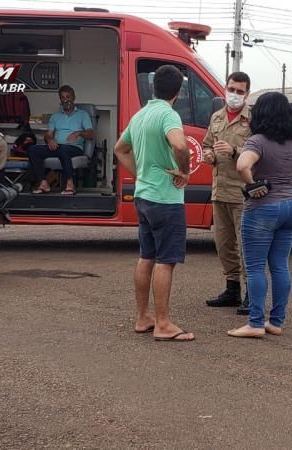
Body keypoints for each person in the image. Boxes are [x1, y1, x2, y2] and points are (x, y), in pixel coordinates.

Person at [113, 65, 195, 342]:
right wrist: (184, 171)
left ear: (153, 87)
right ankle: (163, 324)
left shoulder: (141, 114)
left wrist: (140, 173)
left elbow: (119, 149)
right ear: (179, 92)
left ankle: (142, 317)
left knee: (146, 256)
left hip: (143, 195)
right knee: (165, 261)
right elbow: (180, 146)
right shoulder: (167, 115)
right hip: (166, 199)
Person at [227, 92, 292, 339]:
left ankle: (256, 322)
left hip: (264, 208)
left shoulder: (257, 141)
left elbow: (242, 165)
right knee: (280, 265)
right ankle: (276, 321)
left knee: (255, 267)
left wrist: (253, 185)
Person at [202, 71, 252, 315]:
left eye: (240, 91)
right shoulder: (217, 117)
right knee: (224, 245)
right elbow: (206, 145)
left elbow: (259, 151)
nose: (234, 94)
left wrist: (234, 150)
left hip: (242, 192)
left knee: (247, 246)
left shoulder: (252, 119)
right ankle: (232, 290)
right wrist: (209, 154)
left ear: (247, 94)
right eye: (231, 89)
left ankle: (252, 293)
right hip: (219, 190)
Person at [28, 85, 93, 195]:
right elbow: (48, 134)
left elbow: (90, 134)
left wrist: (78, 133)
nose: (66, 100)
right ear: (60, 100)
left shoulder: (83, 115)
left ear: (73, 98)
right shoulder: (55, 116)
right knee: (33, 149)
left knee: (63, 150)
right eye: (63, 98)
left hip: (75, 148)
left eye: (68, 97)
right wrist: (50, 140)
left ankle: (70, 185)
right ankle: (44, 183)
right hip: (57, 147)